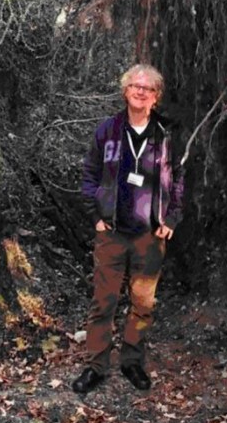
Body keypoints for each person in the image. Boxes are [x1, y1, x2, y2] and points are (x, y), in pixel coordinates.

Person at [73, 63, 184, 394]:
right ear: (125, 91)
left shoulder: (165, 137)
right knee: (103, 301)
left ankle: (132, 362)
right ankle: (95, 366)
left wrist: (172, 219)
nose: (140, 91)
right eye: (135, 85)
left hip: (150, 235)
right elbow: (90, 175)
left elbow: (178, 179)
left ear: (156, 96)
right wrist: (95, 215)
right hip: (111, 231)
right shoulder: (107, 131)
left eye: (147, 88)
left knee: (142, 303)